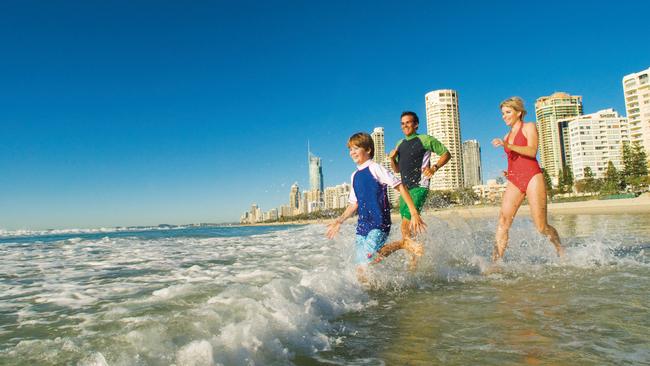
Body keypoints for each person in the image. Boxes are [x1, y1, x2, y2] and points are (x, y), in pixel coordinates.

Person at [326, 132, 426, 283]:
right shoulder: (354, 175)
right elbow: (354, 204)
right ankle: (367, 296)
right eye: (350, 149)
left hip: (379, 223)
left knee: (366, 262)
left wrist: (413, 213)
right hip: (362, 226)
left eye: (356, 148)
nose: (352, 152)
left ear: (368, 150)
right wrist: (339, 220)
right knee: (361, 266)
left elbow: (401, 187)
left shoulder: (375, 168)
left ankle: (402, 244)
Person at [491, 97, 564, 262]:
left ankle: (561, 250)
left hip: (532, 177)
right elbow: (515, 159)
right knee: (503, 221)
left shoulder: (529, 126)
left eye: (508, 112)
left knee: (541, 227)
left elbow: (532, 151)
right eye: (502, 113)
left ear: (518, 112)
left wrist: (507, 145)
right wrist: (509, 172)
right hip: (514, 180)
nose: (504, 116)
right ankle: (495, 263)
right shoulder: (507, 136)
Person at [377, 111, 451, 269]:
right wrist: (391, 158)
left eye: (408, 122)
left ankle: (390, 250)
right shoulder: (399, 144)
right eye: (402, 123)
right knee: (406, 229)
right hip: (404, 190)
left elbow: (446, 154)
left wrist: (435, 167)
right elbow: (396, 170)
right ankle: (414, 263)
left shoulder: (425, 139)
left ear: (416, 124)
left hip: (419, 186)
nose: (405, 126)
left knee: (405, 226)